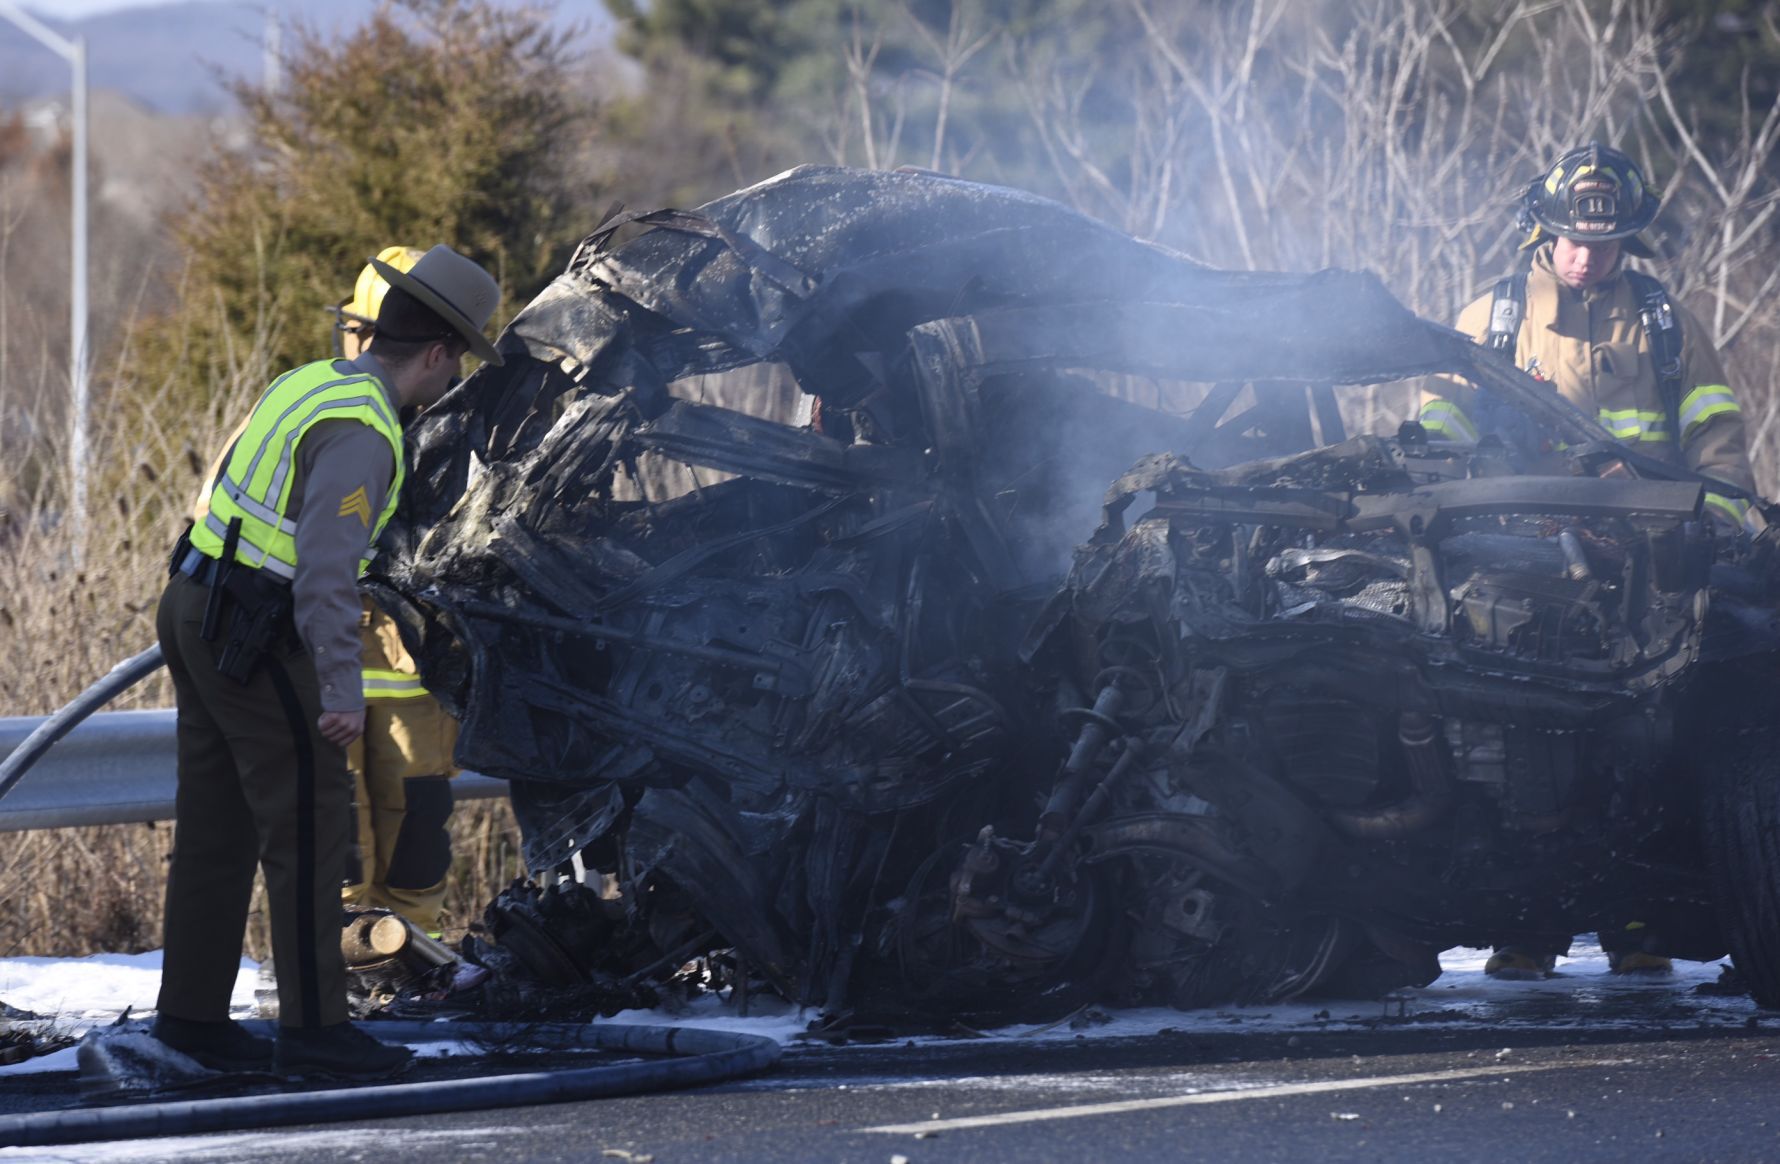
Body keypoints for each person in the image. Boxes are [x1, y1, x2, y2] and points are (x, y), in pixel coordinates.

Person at [151, 246, 501, 1079]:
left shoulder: (312, 382)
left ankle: (192, 1020)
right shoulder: (365, 431)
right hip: (259, 633)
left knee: (217, 830)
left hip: (197, 608)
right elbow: (325, 572)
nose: (448, 385)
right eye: (453, 366)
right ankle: (315, 1034)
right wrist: (341, 688)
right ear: (438, 353)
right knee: (309, 831)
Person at [1418, 142, 1759, 980]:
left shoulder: (1664, 323)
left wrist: (1708, 523)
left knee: (1649, 739)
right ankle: (1526, 928)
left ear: (1627, 240)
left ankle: (1637, 922)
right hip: (1515, 567)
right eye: (1571, 237)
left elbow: (1716, 436)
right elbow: (1435, 434)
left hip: (1645, 572)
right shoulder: (1491, 319)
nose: (1585, 254)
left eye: (1603, 242)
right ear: (1543, 227)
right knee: (1514, 740)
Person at [333, 248, 469, 939]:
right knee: (337, 833)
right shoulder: (328, 416)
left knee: (418, 827)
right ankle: (333, 964)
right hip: (325, 662)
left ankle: (407, 956)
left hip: (416, 677)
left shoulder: (467, 441)